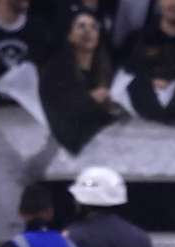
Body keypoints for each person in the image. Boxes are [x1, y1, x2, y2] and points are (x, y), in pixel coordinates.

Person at [39, 9, 123, 153]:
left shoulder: (107, 68)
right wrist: (90, 99)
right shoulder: (55, 70)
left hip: (106, 146)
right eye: (81, 26)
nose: (88, 31)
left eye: (93, 27)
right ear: (70, 35)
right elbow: (59, 111)